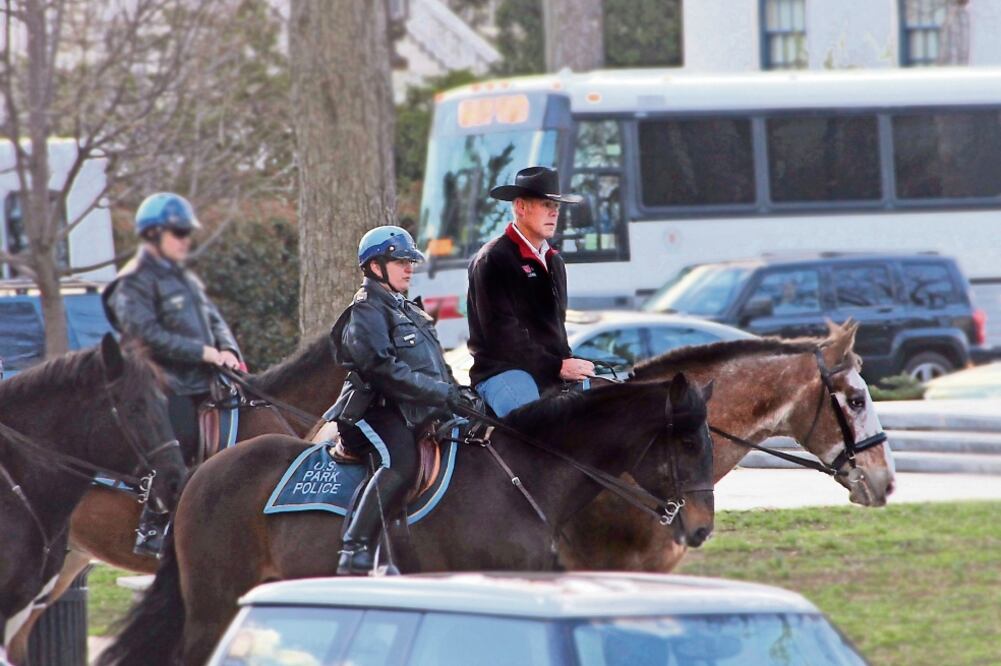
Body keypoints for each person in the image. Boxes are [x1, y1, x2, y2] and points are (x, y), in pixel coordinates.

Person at [327, 225, 475, 576]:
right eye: (400, 261)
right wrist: (439, 394)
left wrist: (457, 391)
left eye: (410, 261)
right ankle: (355, 547)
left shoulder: (406, 307)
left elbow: (433, 365)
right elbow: (382, 369)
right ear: (375, 266)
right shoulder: (366, 310)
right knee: (401, 462)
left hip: (410, 408)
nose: (409, 267)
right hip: (373, 411)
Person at [102, 192, 243, 556]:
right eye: (178, 233)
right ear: (153, 235)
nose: (185, 240)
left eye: (186, 233)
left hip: (204, 379)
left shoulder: (184, 279)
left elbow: (213, 319)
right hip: (160, 384)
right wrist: (202, 352)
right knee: (175, 440)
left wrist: (228, 350)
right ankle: (153, 523)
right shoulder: (132, 282)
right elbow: (145, 333)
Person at [467, 166, 595, 417]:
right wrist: (558, 366)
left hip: (549, 371)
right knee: (537, 428)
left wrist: (568, 363)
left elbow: (556, 330)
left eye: (556, 206)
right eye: (546, 204)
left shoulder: (555, 261)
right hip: (502, 371)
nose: (554, 212)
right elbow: (501, 336)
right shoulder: (493, 258)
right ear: (520, 207)